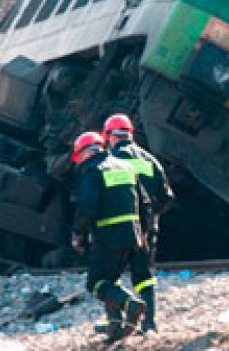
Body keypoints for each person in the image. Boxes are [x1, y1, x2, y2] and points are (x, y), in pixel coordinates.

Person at [71, 131, 147, 343]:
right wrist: (143, 232)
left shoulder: (93, 171)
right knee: (111, 280)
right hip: (132, 235)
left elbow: (87, 207)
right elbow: (144, 203)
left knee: (95, 283)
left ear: (85, 153)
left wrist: (78, 234)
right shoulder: (127, 166)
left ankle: (130, 303)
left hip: (108, 236)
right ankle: (115, 329)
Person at [104, 114, 174, 333]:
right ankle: (149, 323)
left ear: (111, 137)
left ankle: (115, 324)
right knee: (143, 276)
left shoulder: (109, 161)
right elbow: (167, 196)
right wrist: (152, 215)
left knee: (110, 275)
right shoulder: (149, 160)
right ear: (130, 135)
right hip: (146, 227)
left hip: (118, 227)